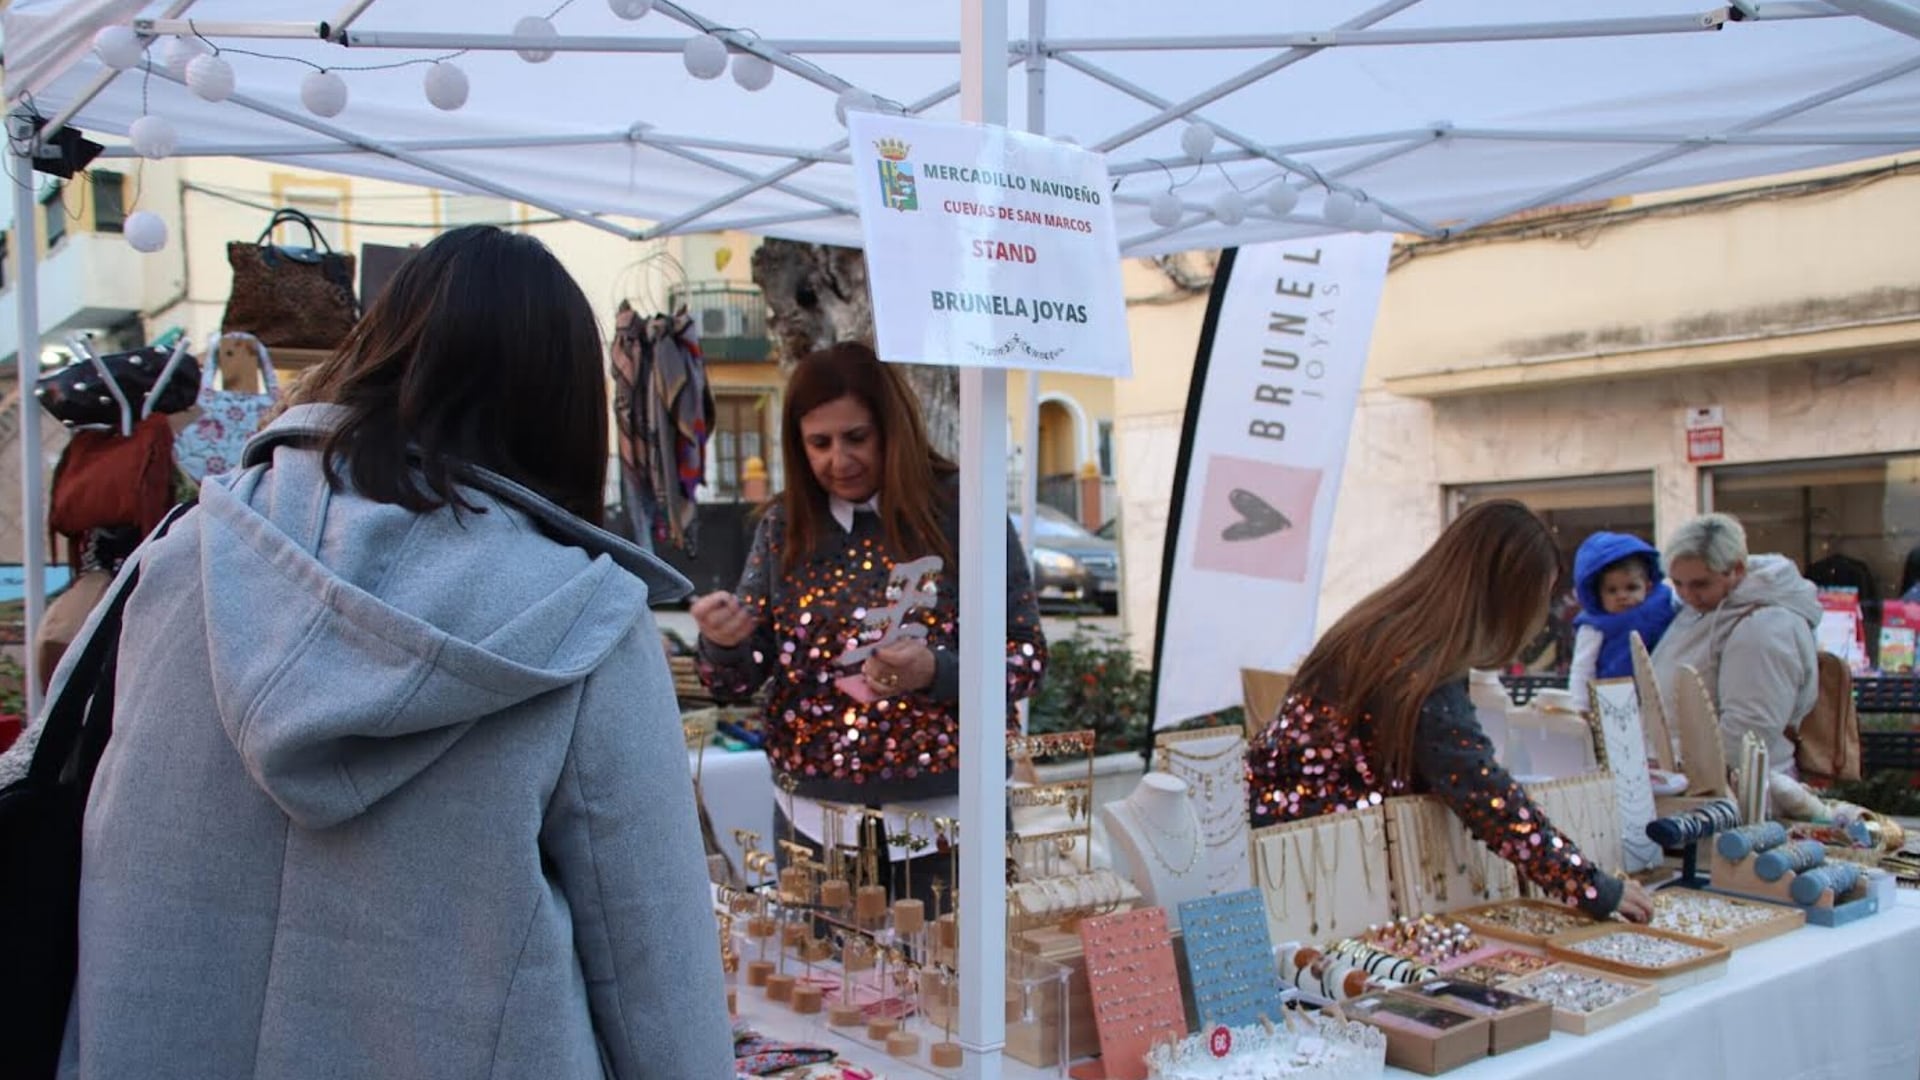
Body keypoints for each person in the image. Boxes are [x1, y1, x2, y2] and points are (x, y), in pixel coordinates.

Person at [56, 227, 734, 1079]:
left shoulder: (184, 558)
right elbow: (653, 964)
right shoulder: (581, 618)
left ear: (378, 348)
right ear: (564, 403)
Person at [695, 342, 1047, 903]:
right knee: (821, 987)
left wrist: (936, 670)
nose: (839, 460)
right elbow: (734, 682)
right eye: (820, 443)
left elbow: (1025, 659)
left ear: (893, 429)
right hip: (813, 825)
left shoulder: (963, 511)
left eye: (856, 438)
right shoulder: (785, 527)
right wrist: (723, 644)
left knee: (954, 988)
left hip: (950, 823)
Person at [1247, 500, 1651, 921]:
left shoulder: (1390, 627)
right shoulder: (1422, 660)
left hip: (1296, 852)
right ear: (1509, 596)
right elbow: (1480, 788)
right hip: (1311, 872)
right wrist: (1589, 884)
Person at [1651, 512, 1821, 775]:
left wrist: (1694, 775)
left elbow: (1750, 727)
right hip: (1701, 780)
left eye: (1700, 584)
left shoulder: (1765, 627)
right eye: (1678, 583)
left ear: (1737, 570)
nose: (1687, 595)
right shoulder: (1711, 606)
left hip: (1735, 788)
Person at [1567, 531, 1678, 709]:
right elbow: (1582, 669)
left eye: (1631, 587)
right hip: (1615, 702)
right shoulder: (1594, 626)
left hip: (1663, 697)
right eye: (1612, 590)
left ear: (1648, 587)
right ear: (1598, 594)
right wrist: (1580, 707)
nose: (1622, 596)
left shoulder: (1665, 605)